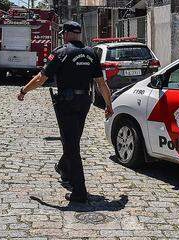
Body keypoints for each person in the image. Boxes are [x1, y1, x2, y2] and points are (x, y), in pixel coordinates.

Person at [17, 21, 113, 203]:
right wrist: (109, 105)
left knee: (71, 146)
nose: (62, 36)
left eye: (63, 33)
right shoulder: (92, 53)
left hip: (66, 103)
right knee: (73, 140)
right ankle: (64, 169)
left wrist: (24, 91)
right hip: (84, 102)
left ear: (68, 34)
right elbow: (102, 84)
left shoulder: (60, 53)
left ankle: (80, 191)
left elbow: (40, 78)